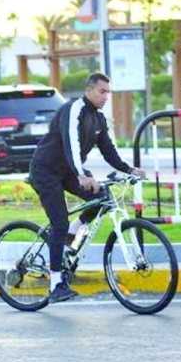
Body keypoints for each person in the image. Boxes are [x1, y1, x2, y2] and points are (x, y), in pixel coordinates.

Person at [28, 72, 147, 303]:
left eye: (108, 93)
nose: (105, 97)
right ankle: (55, 285)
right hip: (46, 170)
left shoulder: (98, 119)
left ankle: (74, 230)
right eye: (102, 92)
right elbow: (70, 142)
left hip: (69, 171)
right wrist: (82, 174)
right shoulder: (73, 109)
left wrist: (129, 170)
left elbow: (108, 149)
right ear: (89, 90)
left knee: (102, 196)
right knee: (58, 223)